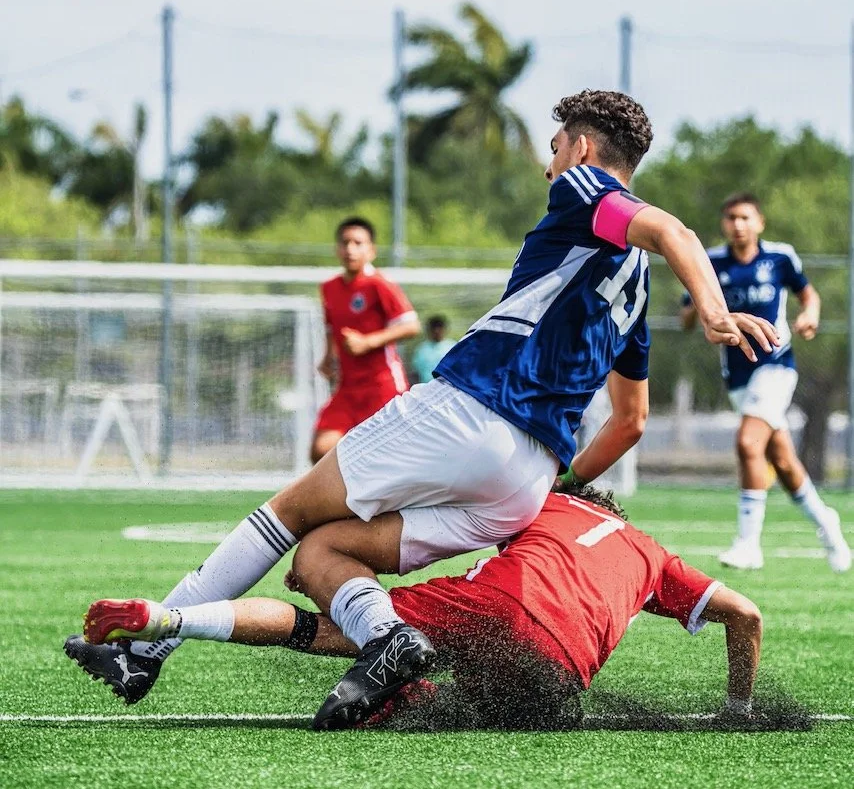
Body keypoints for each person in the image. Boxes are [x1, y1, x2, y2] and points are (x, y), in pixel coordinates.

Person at [65, 90, 778, 727]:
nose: (549, 165)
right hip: (524, 484)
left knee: (287, 512)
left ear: (585, 149)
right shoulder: (636, 291)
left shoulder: (584, 188)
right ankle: (387, 636)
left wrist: (715, 313)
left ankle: (147, 653)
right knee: (324, 551)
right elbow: (632, 422)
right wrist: (556, 490)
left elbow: (677, 234)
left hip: (468, 415)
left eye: (555, 147)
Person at [75, 485, 763, 729]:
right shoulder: (653, 555)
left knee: (344, 631)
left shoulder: (541, 502)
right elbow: (748, 615)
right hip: (563, 672)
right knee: (466, 702)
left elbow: (436, 532)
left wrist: (338, 569)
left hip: (489, 605)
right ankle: (410, 693)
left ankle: (174, 621)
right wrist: (737, 711)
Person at [681, 192, 850, 573]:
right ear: (724, 224)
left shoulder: (779, 257)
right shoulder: (709, 261)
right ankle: (828, 525)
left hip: (775, 367)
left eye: (745, 217)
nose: (738, 224)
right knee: (784, 463)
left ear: (759, 222)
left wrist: (810, 314)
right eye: (731, 218)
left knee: (746, 442)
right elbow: (687, 319)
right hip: (738, 378)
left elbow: (809, 295)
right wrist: (696, 309)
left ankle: (748, 544)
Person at [311, 217, 421, 462]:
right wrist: (328, 356)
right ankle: (350, 499)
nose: (351, 248)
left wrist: (368, 342)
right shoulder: (329, 288)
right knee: (321, 450)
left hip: (382, 386)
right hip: (348, 388)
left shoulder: (380, 284)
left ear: (371, 250)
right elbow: (331, 325)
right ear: (337, 248)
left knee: (391, 457)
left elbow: (411, 325)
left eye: (358, 243)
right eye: (345, 242)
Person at [410, 315, 456, 383]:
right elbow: (416, 372)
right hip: (426, 387)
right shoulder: (421, 350)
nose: (436, 331)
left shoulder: (453, 347)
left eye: (439, 327)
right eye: (434, 327)